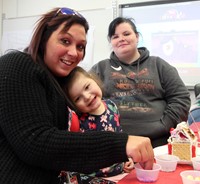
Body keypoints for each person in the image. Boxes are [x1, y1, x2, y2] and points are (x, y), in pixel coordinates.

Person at [0, 8, 154, 184]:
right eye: (65, 41)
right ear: (43, 38)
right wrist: (120, 144)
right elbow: (36, 142)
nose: (74, 53)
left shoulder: (57, 83)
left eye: (80, 46)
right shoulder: (16, 64)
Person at [90, 17, 191, 148]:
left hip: (158, 142)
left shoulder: (158, 64)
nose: (121, 39)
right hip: (115, 144)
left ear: (137, 37)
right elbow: (85, 98)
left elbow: (181, 97)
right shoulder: (100, 68)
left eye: (126, 34)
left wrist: (164, 125)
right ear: (111, 42)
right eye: (115, 36)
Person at [61, 66, 134, 177]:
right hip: (92, 178)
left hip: (120, 173)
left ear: (93, 79)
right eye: (77, 99)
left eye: (87, 87)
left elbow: (120, 137)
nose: (86, 97)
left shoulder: (111, 106)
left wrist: (126, 158)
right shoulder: (78, 121)